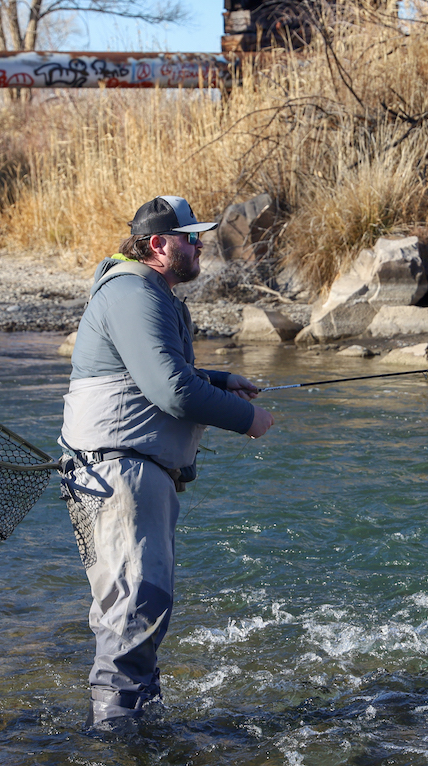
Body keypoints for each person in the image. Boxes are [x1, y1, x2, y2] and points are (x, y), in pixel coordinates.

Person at [58, 195, 274, 728]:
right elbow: (171, 390)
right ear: (158, 244)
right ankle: (117, 739)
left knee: (135, 607)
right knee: (135, 608)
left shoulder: (147, 292)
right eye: (190, 238)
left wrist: (220, 381)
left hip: (125, 472)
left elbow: (156, 370)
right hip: (118, 473)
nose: (200, 246)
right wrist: (247, 419)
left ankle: (139, 725)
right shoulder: (133, 293)